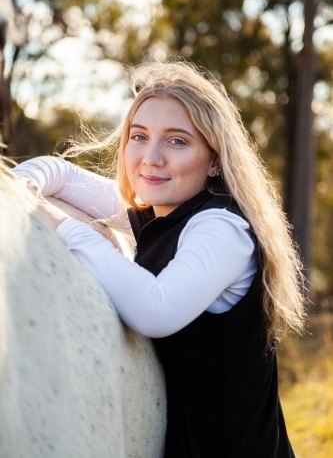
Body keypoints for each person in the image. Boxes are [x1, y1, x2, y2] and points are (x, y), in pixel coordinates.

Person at [14, 60, 306, 457]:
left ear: (215, 159)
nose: (151, 157)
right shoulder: (164, 210)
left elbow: (155, 309)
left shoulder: (221, 228)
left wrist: (61, 225)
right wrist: (17, 194)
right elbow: (58, 174)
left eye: (177, 141)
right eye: (139, 136)